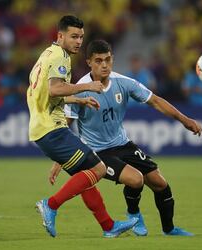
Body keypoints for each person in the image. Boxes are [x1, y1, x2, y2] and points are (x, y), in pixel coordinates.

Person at [51, 39, 202, 236]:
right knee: (135, 179)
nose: (104, 65)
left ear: (112, 59)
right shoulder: (79, 88)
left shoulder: (123, 82)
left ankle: (169, 229)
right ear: (89, 62)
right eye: (98, 61)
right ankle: (134, 215)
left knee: (160, 183)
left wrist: (184, 119)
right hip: (97, 153)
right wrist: (60, 159)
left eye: (107, 59)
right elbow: (66, 125)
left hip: (122, 144)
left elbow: (155, 101)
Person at [27, 16, 138, 238]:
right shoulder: (61, 57)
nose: (78, 41)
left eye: (81, 37)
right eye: (73, 36)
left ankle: (108, 226)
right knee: (98, 169)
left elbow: (40, 93)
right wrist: (87, 87)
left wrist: (78, 100)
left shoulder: (46, 55)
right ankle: (51, 204)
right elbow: (55, 90)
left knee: (84, 178)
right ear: (60, 36)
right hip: (52, 129)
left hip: (42, 127)